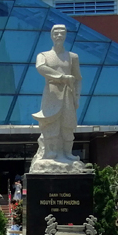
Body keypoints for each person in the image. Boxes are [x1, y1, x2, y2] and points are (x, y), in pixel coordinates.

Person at [31, 24, 84, 168]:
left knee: (68, 124)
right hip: (52, 92)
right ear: (52, 35)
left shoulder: (72, 57)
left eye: (62, 33)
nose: (59, 35)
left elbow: (78, 78)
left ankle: (67, 152)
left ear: (66, 35)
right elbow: (40, 67)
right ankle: (51, 151)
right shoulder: (44, 55)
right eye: (56, 33)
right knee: (50, 122)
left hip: (68, 94)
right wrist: (61, 77)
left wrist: (77, 97)